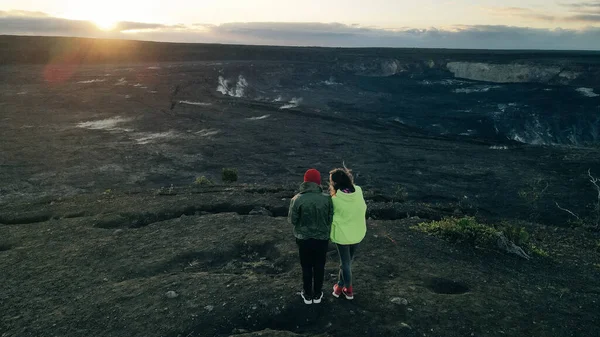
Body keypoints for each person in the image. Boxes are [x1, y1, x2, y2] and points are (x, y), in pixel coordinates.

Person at [288, 169, 333, 305]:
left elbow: (292, 220)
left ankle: (307, 295)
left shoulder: (297, 199)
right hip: (322, 239)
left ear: (305, 181)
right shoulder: (327, 199)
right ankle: (318, 294)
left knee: (306, 266)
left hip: (304, 239)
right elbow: (330, 218)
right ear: (318, 182)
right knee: (319, 266)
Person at [329, 167, 367, 300]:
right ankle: (339, 287)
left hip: (342, 235)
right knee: (347, 262)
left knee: (345, 263)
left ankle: (348, 290)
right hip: (357, 233)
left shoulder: (335, 199)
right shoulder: (359, 191)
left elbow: (331, 216)